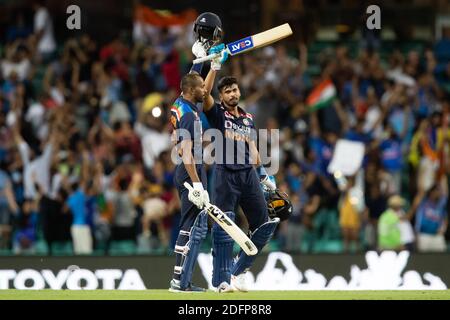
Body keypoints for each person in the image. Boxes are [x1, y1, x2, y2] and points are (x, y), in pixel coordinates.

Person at [202, 49, 279, 292]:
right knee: (225, 228)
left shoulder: (247, 118)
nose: (233, 93)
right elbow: (204, 93)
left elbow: (254, 153)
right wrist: (214, 66)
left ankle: (238, 271)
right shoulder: (217, 114)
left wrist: (264, 174)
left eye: (235, 89)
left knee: (265, 225)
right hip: (225, 174)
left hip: (248, 174)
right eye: (227, 91)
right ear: (221, 97)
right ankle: (220, 282)